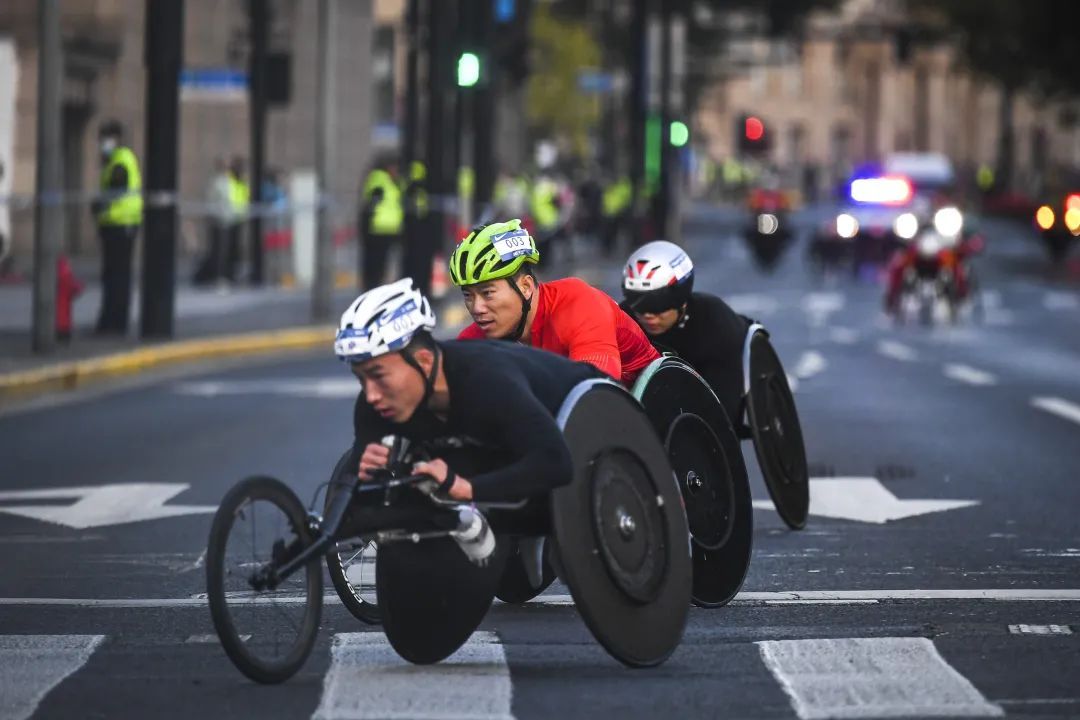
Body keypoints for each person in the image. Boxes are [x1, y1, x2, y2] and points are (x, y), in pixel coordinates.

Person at [336, 278, 605, 503]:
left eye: (379, 376)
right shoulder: (375, 403)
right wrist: (364, 473)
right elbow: (351, 495)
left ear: (424, 361)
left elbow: (554, 462)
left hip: (592, 418)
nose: (371, 394)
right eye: (361, 379)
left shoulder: (487, 381)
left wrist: (466, 489)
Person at [449, 219, 659, 386]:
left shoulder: (580, 306)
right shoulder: (474, 337)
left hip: (652, 404)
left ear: (526, 286)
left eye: (487, 293)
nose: (476, 308)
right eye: (468, 295)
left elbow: (595, 396)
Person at [620, 240, 751, 425]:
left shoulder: (714, 320)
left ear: (680, 300)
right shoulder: (624, 319)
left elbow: (725, 411)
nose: (650, 318)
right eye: (640, 308)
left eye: (659, 308)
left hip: (711, 383)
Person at [91, 119, 142, 335]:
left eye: (106, 138)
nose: (103, 143)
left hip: (121, 225)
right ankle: (112, 321)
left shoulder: (120, 161)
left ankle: (113, 322)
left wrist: (98, 205)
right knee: (114, 275)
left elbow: (115, 189)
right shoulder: (116, 160)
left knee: (116, 276)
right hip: (118, 225)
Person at [358, 156, 404, 291]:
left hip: (388, 229)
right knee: (376, 266)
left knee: (381, 266)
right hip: (379, 230)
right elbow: (372, 203)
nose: (397, 171)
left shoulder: (390, 182)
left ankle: (378, 289)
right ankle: (373, 290)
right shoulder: (379, 179)